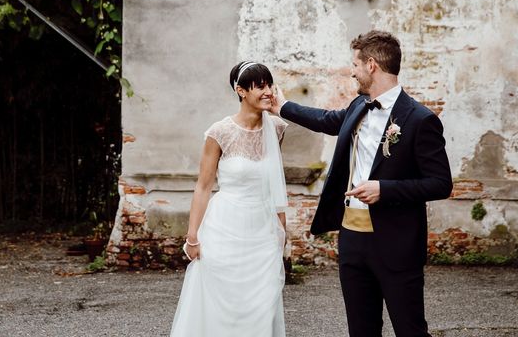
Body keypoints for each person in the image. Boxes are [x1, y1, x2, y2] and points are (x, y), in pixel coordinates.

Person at [271, 30, 452, 337]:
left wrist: (385, 190)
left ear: (371, 65)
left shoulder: (420, 119)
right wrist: (282, 106)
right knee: (361, 330)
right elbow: (327, 120)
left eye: (354, 64)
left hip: (396, 242)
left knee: (410, 330)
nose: (351, 71)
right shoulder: (359, 106)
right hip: (352, 238)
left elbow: (440, 183)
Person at [170, 61, 288, 337]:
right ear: (240, 90)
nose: (268, 91)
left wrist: (282, 232)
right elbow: (203, 186)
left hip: (263, 230)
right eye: (260, 86)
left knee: (263, 303)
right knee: (220, 305)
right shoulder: (219, 132)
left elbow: (275, 183)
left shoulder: (278, 128)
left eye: (269, 84)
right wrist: (192, 237)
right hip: (225, 228)